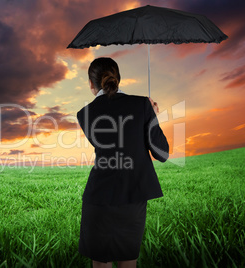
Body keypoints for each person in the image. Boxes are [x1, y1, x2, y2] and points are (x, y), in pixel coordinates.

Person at [76, 57, 169, 268]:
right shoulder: (142, 104)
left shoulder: (84, 114)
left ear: (91, 84)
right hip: (133, 194)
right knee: (128, 261)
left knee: (100, 263)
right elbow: (161, 153)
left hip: (99, 196)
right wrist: (152, 117)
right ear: (118, 79)